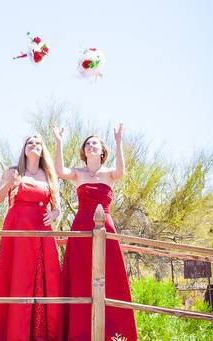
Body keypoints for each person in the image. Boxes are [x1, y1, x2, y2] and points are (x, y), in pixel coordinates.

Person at [54, 124, 138, 341]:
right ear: (84, 151)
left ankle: (113, 333)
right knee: (81, 278)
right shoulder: (78, 173)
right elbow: (59, 171)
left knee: (110, 279)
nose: (91, 146)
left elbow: (121, 172)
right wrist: (59, 142)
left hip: (105, 228)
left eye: (95, 143)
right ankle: (78, 332)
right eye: (87, 144)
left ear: (102, 150)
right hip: (81, 228)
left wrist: (119, 142)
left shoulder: (109, 173)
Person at [0, 135, 61, 341]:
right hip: (17, 231)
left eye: (38, 143)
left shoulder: (48, 175)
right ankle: (15, 333)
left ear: (42, 150)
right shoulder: (13, 171)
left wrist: (55, 214)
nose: (34, 146)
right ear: (24, 148)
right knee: (18, 279)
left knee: (42, 279)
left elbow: (57, 209)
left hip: (41, 232)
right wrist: (9, 183)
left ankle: (40, 334)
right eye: (30, 143)